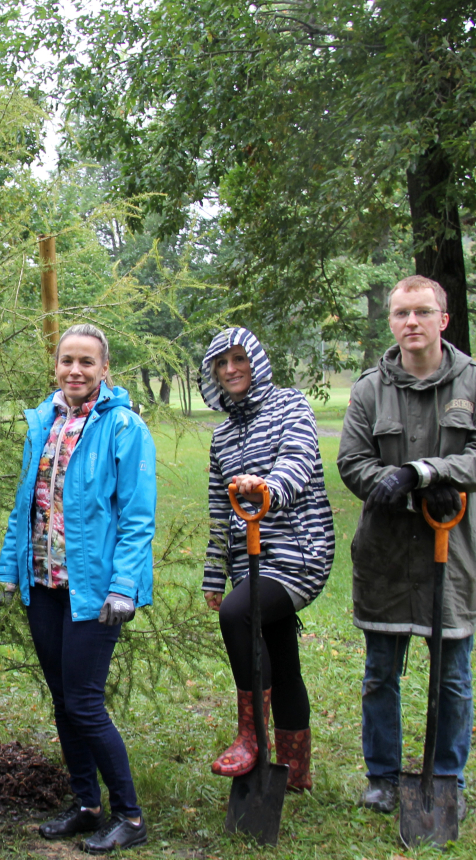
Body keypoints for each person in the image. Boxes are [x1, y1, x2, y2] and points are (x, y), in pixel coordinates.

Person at [337, 275, 476, 817]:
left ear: (443, 319)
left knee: (452, 676)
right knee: (379, 672)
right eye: (400, 313)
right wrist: (389, 486)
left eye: (421, 312)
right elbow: (351, 461)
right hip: (386, 554)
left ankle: (446, 777)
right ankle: (383, 777)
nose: (411, 322)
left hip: (450, 555)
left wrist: (423, 473)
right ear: (391, 321)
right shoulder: (370, 389)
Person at [0, 323, 156, 854]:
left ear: (105, 370)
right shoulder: (43, 423)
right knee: (64, 701)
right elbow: (26, 507)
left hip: (96, 591)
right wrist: (6, 576)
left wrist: (125, 587)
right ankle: (87, 805)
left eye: (87, 362)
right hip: (45, 585)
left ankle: (129, 815)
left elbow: (136, 517)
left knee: (85, 703)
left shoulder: (124, 428)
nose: (76, 371)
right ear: (56, 366)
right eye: (67, 361)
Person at [198, 327, 335, 792]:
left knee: (241, 614)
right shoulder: (221, 438)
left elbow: (299, 461)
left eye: (239, 359)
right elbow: (220, 512)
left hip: (298, 553)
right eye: (221, 363)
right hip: (250, 560)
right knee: (280, 653)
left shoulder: (290, 405)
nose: (231, 369)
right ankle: (295, 773)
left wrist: (268, 489)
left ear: (256, 361)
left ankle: (250, 737)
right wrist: (215, 575)